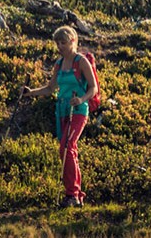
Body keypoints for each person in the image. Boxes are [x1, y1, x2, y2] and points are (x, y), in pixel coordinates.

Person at [20, 25, 99, 208]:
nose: (60, 46)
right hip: (62, 111)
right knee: (68, 150)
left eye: (63, 42)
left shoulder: (81, 61)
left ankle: (71, 194)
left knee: (66, 146)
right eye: (57, 43)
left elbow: (93, 88)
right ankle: (76, 195)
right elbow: (51, 88)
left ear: (73, 41)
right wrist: (30, 93)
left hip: (78, 111)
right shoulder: (58, 64)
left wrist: (81, 99)